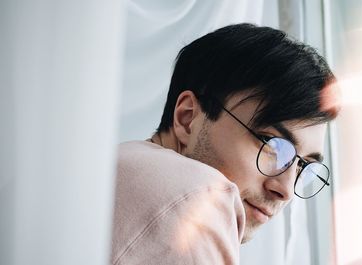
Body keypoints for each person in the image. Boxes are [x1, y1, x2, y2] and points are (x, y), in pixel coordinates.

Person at [110, 23, 340, 265]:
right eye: (273, 146)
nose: (286, 191)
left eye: (305, 167)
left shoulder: (122, 167)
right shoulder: (197, 197)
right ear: (188, 118)